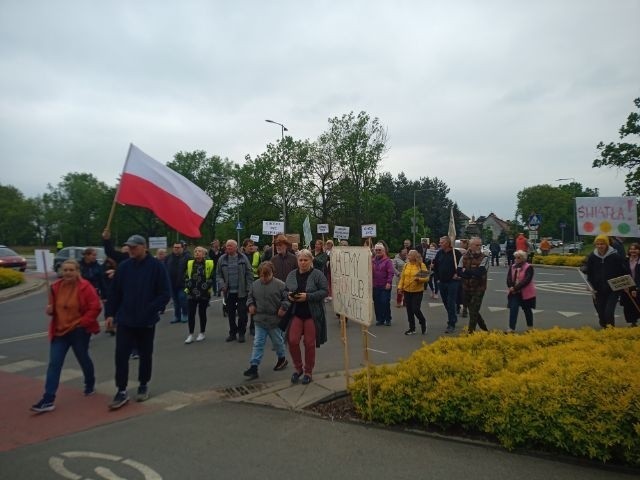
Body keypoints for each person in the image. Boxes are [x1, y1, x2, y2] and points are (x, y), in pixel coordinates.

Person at [105, 235, 171, 409]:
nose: (131, 250)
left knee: (145, 354)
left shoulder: (156, 267)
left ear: (144, 247)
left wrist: (150, 309)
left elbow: (165, 293)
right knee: (121, 355)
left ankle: (143, 384)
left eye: (134, 247)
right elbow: (115, 293)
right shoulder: (124, 267)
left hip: (146, 321)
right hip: (125, 319)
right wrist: (110, 314)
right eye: (129, 247)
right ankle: (121, 389)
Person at [30, 259, 101, 413]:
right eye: (65, 270)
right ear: (61, 272)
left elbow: (95, 307)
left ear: (77, 272)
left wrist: (83, 323)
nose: (68, 273)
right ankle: (48, 399)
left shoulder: (85, 287)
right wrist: (49, 310)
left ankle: (90, 383)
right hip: (59, 331)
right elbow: (53, 308)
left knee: (83, 358)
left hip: (78, 331)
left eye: (71, 270)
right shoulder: (55, 287)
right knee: (54, 364)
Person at [283, 249, 328, 385]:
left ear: (311, 261)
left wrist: (308, 296)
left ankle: (308, 371)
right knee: (292, 340)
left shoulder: (317, 274)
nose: (302, 263)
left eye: (305, 260)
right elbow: (285, 290)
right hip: (296, 312)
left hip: (312, 314)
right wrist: (289, 296)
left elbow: (324, 291)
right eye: (300, 260)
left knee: (309, 343)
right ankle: (298, 368)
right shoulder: (292, 274)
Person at [243, 261, 289, 379]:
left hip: (274, 320)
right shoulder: (255, 284)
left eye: (266, 276)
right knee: (258, 343)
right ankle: (254, 366)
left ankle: (282, 358)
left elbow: (287, 299)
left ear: (272, 273)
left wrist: (283, 307)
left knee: (278, 342)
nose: (263, 278)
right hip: (259, 320)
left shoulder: (281, 285)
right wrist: (251, 305)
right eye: (261, 276)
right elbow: (250, 298)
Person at [581, 234, 629, 328]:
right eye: (597, 244)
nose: (600, 246)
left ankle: (610, 330)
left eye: (602, 244)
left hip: (613, 289)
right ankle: (604, 326)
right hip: (598, 289)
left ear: (607, 244)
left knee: (609, 312)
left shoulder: (615, 256)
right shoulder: (592, 257)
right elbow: (589, 273)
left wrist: (626, 285)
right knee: (601, 311)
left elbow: (623, 271)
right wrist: (590, 285)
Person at [217, 239, 254, 343]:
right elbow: (218, 274)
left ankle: (241, 333)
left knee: (242, 313)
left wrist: (249, 287)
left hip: (242, 291)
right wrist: (222, 284)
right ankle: (232, 333)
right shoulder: (222, 259)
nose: (228, 248)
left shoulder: (243, 258)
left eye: (230, 246)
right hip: (229, 292)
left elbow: (249, 273)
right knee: (231, 314)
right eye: (227, 246)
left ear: (236, 247)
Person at [184, 246, 214, 344]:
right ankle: (190, 334)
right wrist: (188, 285)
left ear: (204, 253)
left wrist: (205, 287)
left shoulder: (209, 263)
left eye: (199, 251)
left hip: (204, 293)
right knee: (191, 314)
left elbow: (212, 277)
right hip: (191, 293)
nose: (197, 253)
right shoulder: (190, 263)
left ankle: (202, 333)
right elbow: (185, 276)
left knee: (202, 313)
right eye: (195, 251)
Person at [458, 237, 490, 332]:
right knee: (472, 310)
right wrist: (470, 273)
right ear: (471, 246)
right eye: (477, 245)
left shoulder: (484, 258)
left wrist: (466, 271)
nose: (479, 247)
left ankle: (470, 332)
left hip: (479, 288)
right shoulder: (464, 257)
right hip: (466, 287)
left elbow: (480, 272)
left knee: (474, 310)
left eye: (480, 245)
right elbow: (459, 271)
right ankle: (484, 328)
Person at [432, 236, 462, 334]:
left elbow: (462, 266)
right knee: (445, 302)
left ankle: (451, 323)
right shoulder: (439, 253)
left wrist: (458, 274)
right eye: (440, 242)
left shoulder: (456, 253)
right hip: (442, 281)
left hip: (453, 282)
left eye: (442, 242)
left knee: (450, 301)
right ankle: (453, 316)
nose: (440, 244)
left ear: (448, 243)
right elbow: (435, 266)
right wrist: (437, 279)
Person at [397, 249, 429, 335]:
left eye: (410, 255)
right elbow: (402, 277)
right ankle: (412, 328)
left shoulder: (421, 265)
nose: (408, 256)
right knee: (409, 310)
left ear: (415, 256)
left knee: (415, 309)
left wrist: (419, 279)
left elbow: (426, 278)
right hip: (407, 290)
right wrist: (400, 287)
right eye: (408, 255)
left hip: (417, 291)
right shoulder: (406, 265)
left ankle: (423, 321)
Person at [506, 250, 537, 333]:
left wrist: (515, 288)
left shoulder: (528, 267)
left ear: (523, 258)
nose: (516, 259)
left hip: (525, 293)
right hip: (514, 293)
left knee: (527, 310)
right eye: (515, 257)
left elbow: (527, 280)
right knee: (513, 309)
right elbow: (509, 278)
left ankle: (530, 328)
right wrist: (511, 287)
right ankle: (511, 328)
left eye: (518, 257)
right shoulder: (512, 266)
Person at [165, 241, 189, 324]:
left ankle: (185, 314)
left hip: (183, 284)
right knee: (175, 301)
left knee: (182, 298)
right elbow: (165, 268)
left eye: (178, 247)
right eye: (175, 247)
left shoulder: (187, 257)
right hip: (171, 283)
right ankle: (177, 316)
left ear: (182, 248)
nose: (176, 249)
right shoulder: (168, 257)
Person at [372, 242, 394, 326]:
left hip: (385, 285)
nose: (378, 251)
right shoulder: (372, 261)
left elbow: (391, 272)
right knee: (377, 303)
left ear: (383, 250)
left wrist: (389, 282)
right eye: (376, 250)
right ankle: (379, 319)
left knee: (384, 302)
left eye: (379, 250)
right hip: (375, 285)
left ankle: (387, 318)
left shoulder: (387, 261)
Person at [621, 242, 640, 327]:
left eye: (635, 249)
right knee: (629, 305)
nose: (633, 251)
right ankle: (633, 322)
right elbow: (621, 273)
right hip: (628, 287)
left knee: (638, 303)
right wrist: (624, 286)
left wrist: (637, 288)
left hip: (638, 286)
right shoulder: (625, 260)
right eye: (631, 249)